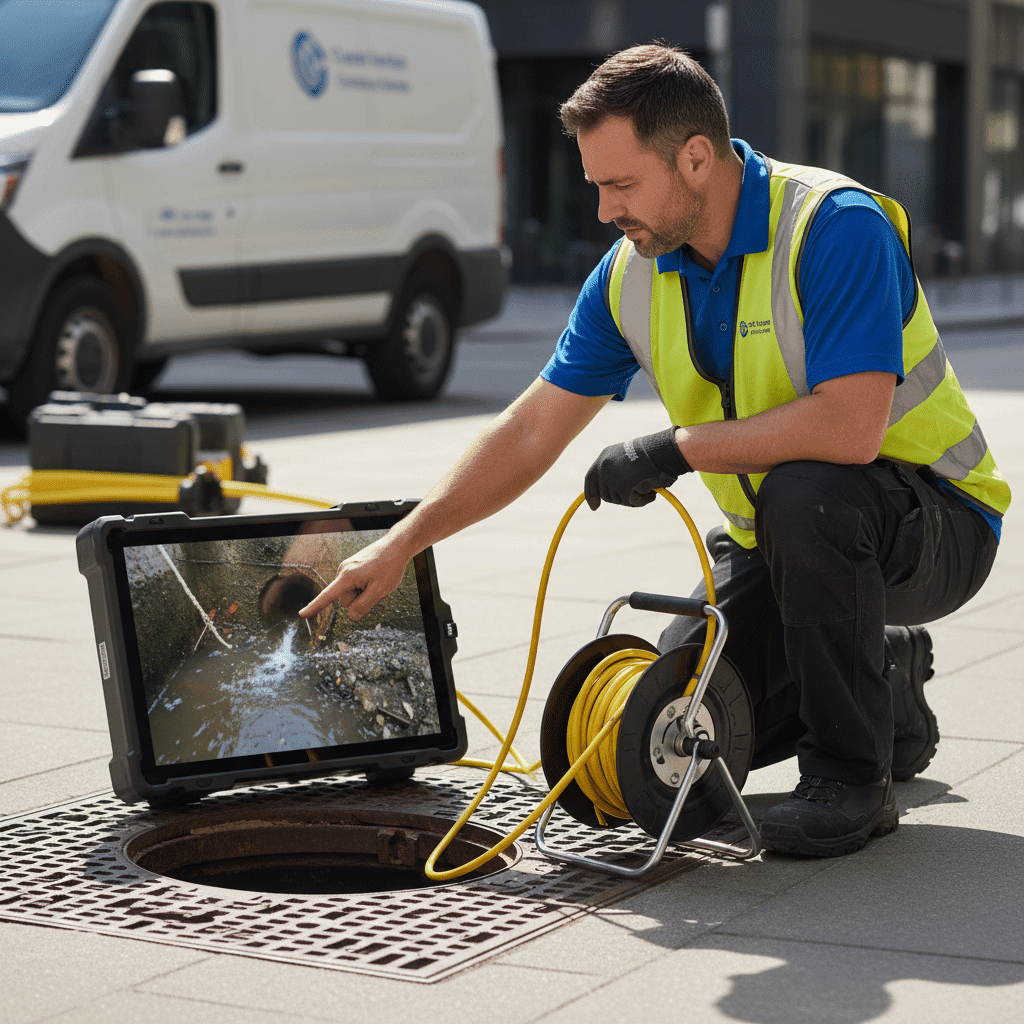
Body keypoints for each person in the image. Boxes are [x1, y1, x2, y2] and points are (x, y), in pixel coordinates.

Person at [301, 43, 1010, 858]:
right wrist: (403, 543)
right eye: (596, 185)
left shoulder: (833, 227)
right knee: (669, 734)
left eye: (620, 185)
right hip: (782, 544)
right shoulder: (630, 272)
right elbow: (534, 426)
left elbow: (849, 428)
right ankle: (881, 678)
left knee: (809, 492)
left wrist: (677, 448)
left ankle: (851, 777)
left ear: (696, 159)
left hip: (937, 524)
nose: (603, 210)